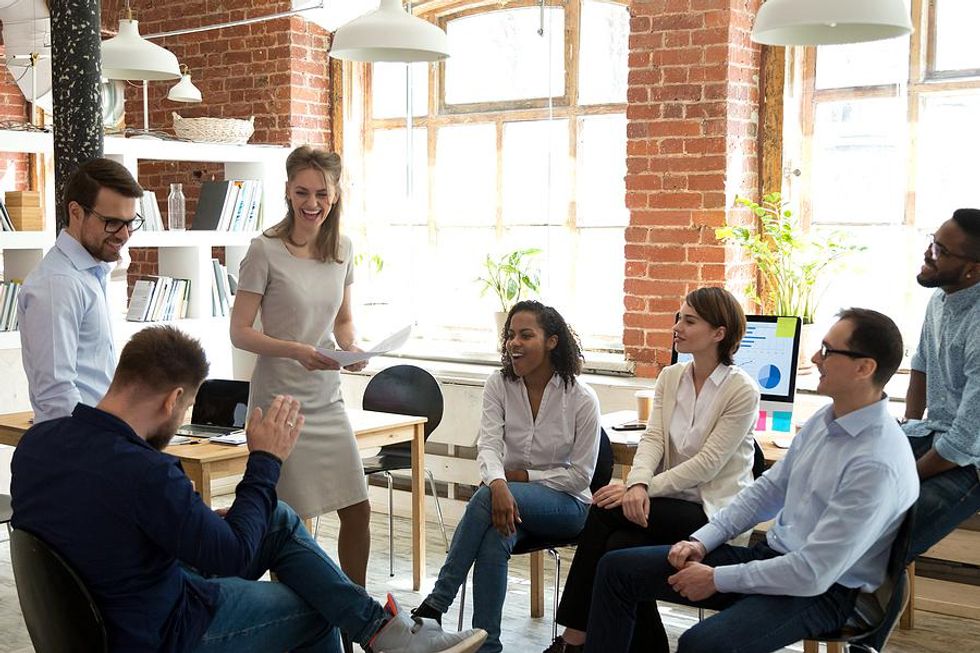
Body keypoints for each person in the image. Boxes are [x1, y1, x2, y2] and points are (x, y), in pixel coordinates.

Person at [10, 325, 487, 653]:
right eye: (187, 408)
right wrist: (265, 459)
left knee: (277, 518)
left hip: (97, 613)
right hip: (157, 630)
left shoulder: (39, 444)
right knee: (313, 604)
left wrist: (196, 521)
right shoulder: (145, 471)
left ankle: (387, 632)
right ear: (175, 399)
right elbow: (234, 557)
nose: (180, 421)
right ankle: (386, 634)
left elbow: (103, 528)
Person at [583, 308, 918, 653]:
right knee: (616, 569)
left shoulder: (877, 461)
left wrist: (715, 578)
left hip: (826, 591)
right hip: (775, 559)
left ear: (865, 368)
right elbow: (767, 491)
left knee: (701, 644)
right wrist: (701, 542)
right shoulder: (826, 418)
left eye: (828, 351)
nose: (816, 358)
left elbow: (813, 572)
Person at [544, 287, 760, 653]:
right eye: (678, 317)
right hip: (668, 502)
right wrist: (639, 484)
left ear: (718, 333)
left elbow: (707, 464)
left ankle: (572, 641)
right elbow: (654, 439)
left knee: (603, 511)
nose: (677, 326)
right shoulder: (671, 377)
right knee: (618, 550)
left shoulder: (742, 391)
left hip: (712, 514)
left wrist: (640, 489)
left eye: (689, 320)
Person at [412, 300, 601, 653]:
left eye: (526, 335)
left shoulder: (581, 397)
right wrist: (501, 483)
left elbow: (579, 476)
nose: (514, 342)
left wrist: (516, 479)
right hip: (513, 501)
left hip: (569, 507)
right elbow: (488, 447)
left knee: (486, 497)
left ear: (552, 342)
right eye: (510, 335)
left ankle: (435, 605)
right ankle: (488, 645)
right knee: (495, 539)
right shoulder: (499, 385)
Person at [230, 146, 372, 586]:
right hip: (280, 404)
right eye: (302, 193)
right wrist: (296, 350)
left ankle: (356, 610)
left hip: (326, 398)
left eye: (321, 194)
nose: (312, 204)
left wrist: (354, 349)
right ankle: (294, 618)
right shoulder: (265, 250)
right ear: (287, 192)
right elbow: (240, 332)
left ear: (335, 195)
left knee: (358, 508)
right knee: (290, 519)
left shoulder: (343, 249)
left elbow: (343, 321)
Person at [17, 157, 144, 423]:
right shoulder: (58, 284)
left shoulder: (88, 274)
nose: (124, 235)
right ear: (76, 212)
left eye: (130, 222)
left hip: (95, 439)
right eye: (112, 222)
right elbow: (56, 395)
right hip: (78, 449)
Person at [900, 208, 980, 560]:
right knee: (838, 472)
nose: (928, 254)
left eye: (941, 251)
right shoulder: (939, 297)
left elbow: (964, 440)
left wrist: (904, 478)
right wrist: (907, 427)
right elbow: (921, 366)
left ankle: (865, 600)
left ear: (973, 269)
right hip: (935, 433)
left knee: (893, 521)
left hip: (970, 460)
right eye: (933, 242)